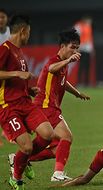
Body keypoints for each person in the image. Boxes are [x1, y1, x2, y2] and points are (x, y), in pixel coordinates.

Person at [0, 15, 54, 190]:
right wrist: (17, 74)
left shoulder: (20, 52)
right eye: (28, 33)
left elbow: (17, 81)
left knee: (47, 134)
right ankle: (15, 178)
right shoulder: (5, 49)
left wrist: (28, 90)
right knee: (27, 146)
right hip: (8, 106)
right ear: (23, 31)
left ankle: (21, 159)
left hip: (25, 102)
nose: (29, 37)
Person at [31, 28, 90, 181]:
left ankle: (20, 158)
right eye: (72, 47)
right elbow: (51, 69)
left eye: (77, 47)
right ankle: (57, 174)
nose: (75, 50)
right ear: (62, 46)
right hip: (45, 106)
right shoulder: (55, 61)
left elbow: (63, 82)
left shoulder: (63, 64)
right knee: (67, 137)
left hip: (49, 107)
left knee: (57, 149)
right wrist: (68, 60)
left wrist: (77, 93)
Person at [0, 9, 10, 146]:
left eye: (2, 17)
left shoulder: (10, 32)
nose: (0, 20)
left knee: (7, 103)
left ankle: (6, 131)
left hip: (8, 73)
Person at [74, 16, 94, 86]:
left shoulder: (88, 26)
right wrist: (77, 47)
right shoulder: (78, 25)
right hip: (81, 48)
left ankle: (86, 83)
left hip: (88, 48)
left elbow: (90, 38)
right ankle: (79, 82)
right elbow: (76, 36)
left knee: (87, 66)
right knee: (81, 65)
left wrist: (92, 49)